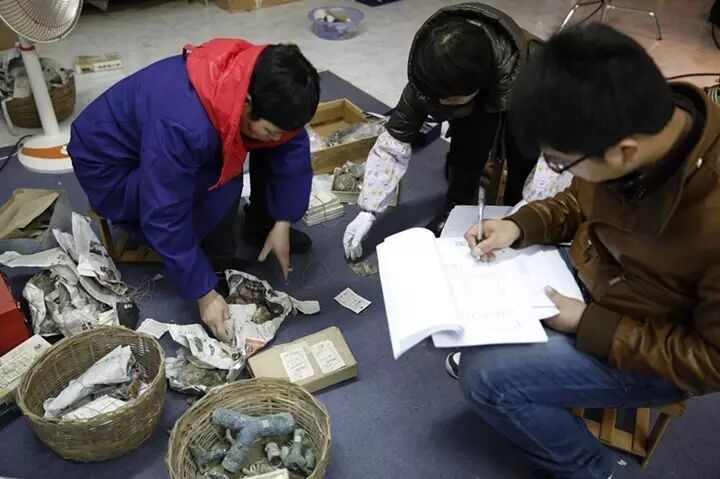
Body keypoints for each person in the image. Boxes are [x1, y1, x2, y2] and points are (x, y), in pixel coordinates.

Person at [446, 23, 720, 479]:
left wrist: (590, 325)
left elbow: (710, 362)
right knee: (471, 303)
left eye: (559, 161)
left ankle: (590, 469)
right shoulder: (639, 122)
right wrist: (519, 225)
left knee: (485, 381)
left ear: (624, 153)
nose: (560, 171)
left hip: (652, 344)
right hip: (597, 277)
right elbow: (582, 198)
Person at [68, 39, 320, 341]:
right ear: (247, 103)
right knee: (220, 182)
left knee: (263, 146)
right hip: (109, 165)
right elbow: (163, 212)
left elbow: (289, 141)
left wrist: (283, 220)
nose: (276, 137)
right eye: (270, 129)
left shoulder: (255, 77)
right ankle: (212, 263)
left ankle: (260, 226)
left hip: (154, 142)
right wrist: (204, 293)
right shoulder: (185, 126)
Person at [342, 3, 543, 260]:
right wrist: (368, 210)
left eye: (449, 99)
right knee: (467, 144)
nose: (439, 104)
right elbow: (395, 139)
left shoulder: (536, 66)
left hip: (524, 97)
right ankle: (456, 205)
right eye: (435, 97)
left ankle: (514, 211)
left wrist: (521, 221)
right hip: (477, 98)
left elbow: (552, 161)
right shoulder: (430, 71)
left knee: (524, 156)